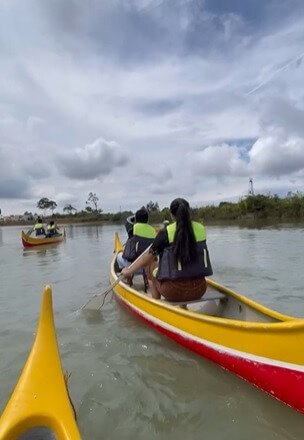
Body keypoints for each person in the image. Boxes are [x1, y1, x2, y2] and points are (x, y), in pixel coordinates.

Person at [121, 198, 213, 301]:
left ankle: (155, 301)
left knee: (150, 265)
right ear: (188, 212)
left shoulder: (166, 232)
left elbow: (146, 258)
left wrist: (128, 271)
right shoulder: (201, 229)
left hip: (174, 291)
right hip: (200, 289)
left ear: (172, 215)